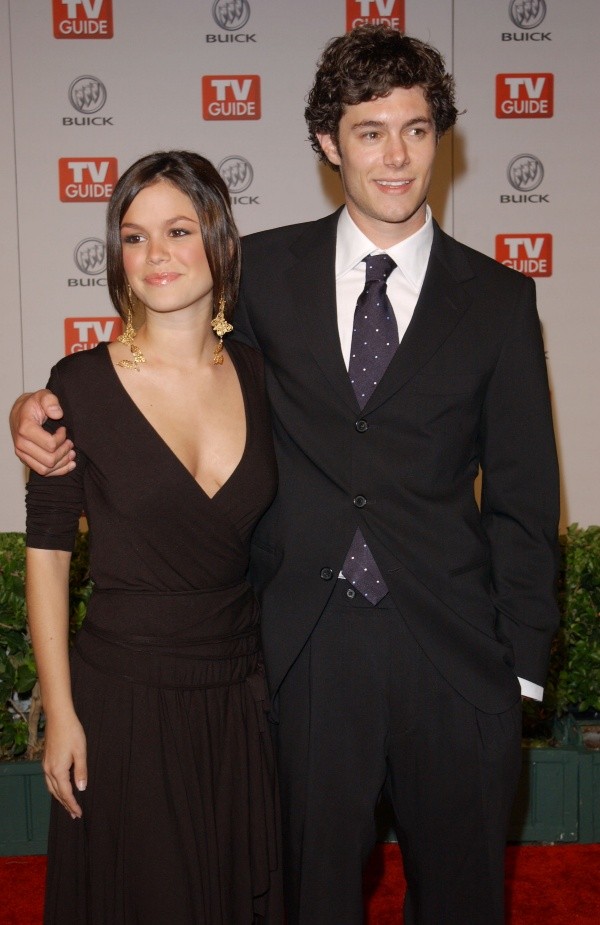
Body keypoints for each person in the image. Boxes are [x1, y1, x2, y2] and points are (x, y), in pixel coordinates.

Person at [11, 26, 559, 925]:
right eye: (370, 130)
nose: (394, 155)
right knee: (306, 903)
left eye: (416, 130)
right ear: (327, 143)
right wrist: (32, 409)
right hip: (303, 662)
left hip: (455, 669)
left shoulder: (499, 299)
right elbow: (151, 360)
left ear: (439, 139)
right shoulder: (257, 272)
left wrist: (520, 678)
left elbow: (526, 500)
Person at [22, 150, 283, 925]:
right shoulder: (75, 385)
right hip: (124, 702)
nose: (156, 254)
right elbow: (47, 558)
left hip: (239, 699)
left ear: (220, 240)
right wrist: (61, 713)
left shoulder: (263, 376)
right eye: (134, 238)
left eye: (178, 229)